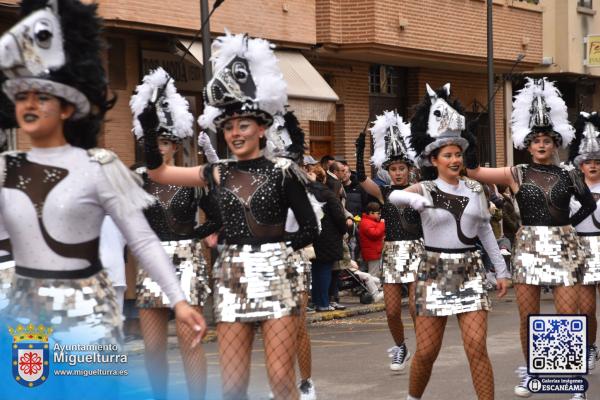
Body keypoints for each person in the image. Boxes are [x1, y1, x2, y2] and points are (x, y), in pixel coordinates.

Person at [0, 0, 205, 346]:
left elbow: (141, 240)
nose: (30, 105)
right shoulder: (7, 168)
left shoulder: (101, 167)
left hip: (86, 312)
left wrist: (178, 300)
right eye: (23, 97)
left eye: (42, 97)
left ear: (67, 108)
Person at [140, 32, 318, 400]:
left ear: (262, 128)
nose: (235, 133)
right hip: (231, 276)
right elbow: (158, 173)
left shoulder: (284, 170)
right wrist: (148, 127)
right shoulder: (217, 171)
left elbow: (310, 227)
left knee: (280, 378)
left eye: (244, 125)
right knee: (233, 386)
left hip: (275, 277)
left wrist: (279, 249)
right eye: (229, 127)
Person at [462, 78, 596, 398]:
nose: (540, 144)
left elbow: (589, 205)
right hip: (529, 249)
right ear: (526, 142)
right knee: (529, 316)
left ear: (555, 143)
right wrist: (467, 135)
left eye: (546, 140)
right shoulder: (516, 173)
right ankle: (534, 371)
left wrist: (566, 226)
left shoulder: (571, 174)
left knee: (568, 314)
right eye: (535, 139)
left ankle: (567, 378)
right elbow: (474, 172)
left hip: (564, 247)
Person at [389, 83, 510, 400]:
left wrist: (501, 270)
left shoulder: (474, 189)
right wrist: (415, 201)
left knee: (476, 349)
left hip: (470, 271)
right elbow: (393, 195)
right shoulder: (426, 188)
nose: (455, 159)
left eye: (458, 154)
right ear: (434, 160)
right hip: (433, 272)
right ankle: (413, 398)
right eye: (448, 155)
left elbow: (485, 232)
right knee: (427, 352)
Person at [130, 68, 221, 400]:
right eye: (156, 141)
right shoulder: (135, 178)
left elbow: (218, 215)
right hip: (151, 261)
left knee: (189, 341)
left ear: (176, 144)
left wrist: (196, 236)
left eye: (168, 141)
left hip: (187, 261)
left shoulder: (189, 177)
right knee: (153, 347)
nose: (162, 147)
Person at [355, 110, 423, 372]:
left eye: (401, 168)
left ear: (409, 169)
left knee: (417, 308)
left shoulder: (420, 189)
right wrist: (360, 151)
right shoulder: (384, 193)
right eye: (393, 169)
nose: (397, 173)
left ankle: (424, 349)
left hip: (417, 251)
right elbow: (361, 179)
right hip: (393, 253)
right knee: (392, 311)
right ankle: (401, 348)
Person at [569, 112, 600, 379]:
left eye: (597, 161)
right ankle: (589, 346)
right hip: (581, 250)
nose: (592, 165)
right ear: (580, 165)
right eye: (588, 161)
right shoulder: (571, 191)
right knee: (586, 308)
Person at [308, 165, 347, 312]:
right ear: (323, 178)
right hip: (329, 238)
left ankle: (317, 301)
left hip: (311, 237)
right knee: (325, 270)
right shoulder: (328, 194)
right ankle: (323, 303)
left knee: (315, 271)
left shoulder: (306, 193)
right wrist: (343, 230)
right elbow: (338, 216)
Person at [358, 202, 386, 277]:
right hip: (373, 253)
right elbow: (375, 234)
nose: (380, 215)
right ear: (371, 213)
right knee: (373, 274)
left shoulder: (371, 222)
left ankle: (376, 288)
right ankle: (373, 289)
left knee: (377, 273)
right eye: (378, 213)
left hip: (375, 252)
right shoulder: (366, 222)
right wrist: (382, 224)